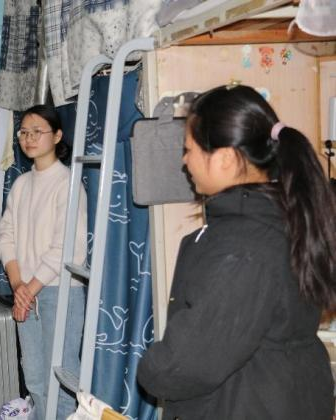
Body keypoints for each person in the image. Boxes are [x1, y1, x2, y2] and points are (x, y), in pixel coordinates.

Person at [137, 85, 336, 419]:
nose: (184, 161)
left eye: (189, 150)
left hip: (248, 405)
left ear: (226, 159)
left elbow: (189, 362)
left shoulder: (244, 245)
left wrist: (153, 368)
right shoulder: (283, 217)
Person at [0, 105, 87, 420]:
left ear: (57, 136)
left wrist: (27, 290)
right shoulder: (21, 184)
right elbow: (5, 237)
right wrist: (18, 285)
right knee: (33, 375)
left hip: (59, 291)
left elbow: (67, 249)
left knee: (61, 376)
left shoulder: (68, 183)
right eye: (24, 132)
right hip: (26, 290)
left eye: (37, 131)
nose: (29, 138)